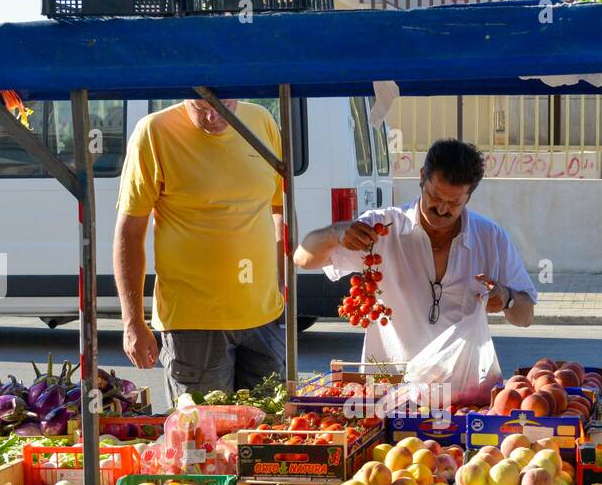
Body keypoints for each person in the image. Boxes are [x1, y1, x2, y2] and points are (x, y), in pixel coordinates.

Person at [294, 138, 535, 367]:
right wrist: (336, 232)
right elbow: (303, 259)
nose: (441, 209)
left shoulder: (491, 237)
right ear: (422, 178)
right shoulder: (380, 228)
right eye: (435, 196)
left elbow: (524, 317)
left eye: (454, 203)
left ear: (469, 196)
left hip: (462, 390)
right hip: (388, 386)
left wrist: (507, 298)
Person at [114, 98, 286, 405]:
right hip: (193, 323)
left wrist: (280, 281)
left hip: (263, 318)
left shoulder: (261, 122)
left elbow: (278, 208)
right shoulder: (154, 132)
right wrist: (133, 322)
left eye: (224, 105)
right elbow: (129, 232)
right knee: (203, 441)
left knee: (270, 438)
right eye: (201, 106)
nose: (212, 115)